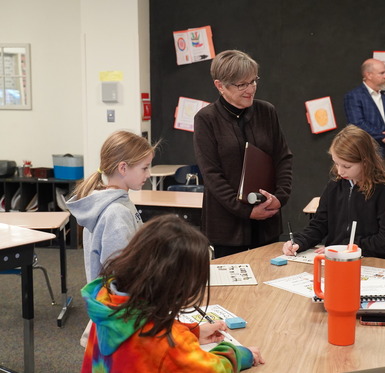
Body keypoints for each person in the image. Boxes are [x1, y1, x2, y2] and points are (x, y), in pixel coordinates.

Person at [81, 214, 265, 372]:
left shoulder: (107, 297)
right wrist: (239, 354)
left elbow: (138, 326)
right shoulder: (167, 342)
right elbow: (210, 368)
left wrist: (194, 331)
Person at [194, 49, 293, 258]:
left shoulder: (267, 111)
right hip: (227, 227)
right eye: (242, 85)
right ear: (219, 85)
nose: (250, 89)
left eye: (253, 81)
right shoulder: (206, 119)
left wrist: (280, 197)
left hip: (267, 221)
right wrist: (246, 211)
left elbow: (282, 158)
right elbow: (211, 175)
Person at [66, 130, 155, 347]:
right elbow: (120, 273)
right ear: (123, 168)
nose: (149, 174)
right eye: (144, 168)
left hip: (117, 306)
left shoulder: (118, 201)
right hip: (120, 310)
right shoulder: (115, 211)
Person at [282, 125, 385, 258]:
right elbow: (318, 225)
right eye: (336, 163)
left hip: (368, 261)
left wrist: (348, 247)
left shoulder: (383, 191)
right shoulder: (334, 186)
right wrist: (299, 242)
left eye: (346, 166)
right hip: (334, 260)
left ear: (365, 162)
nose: (340, 171)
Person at [344, 58, 385, 181]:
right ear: (369, 75)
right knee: (367, 194)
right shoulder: (354, 96)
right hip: (367, 155)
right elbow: (357, 124)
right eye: (382, 73)